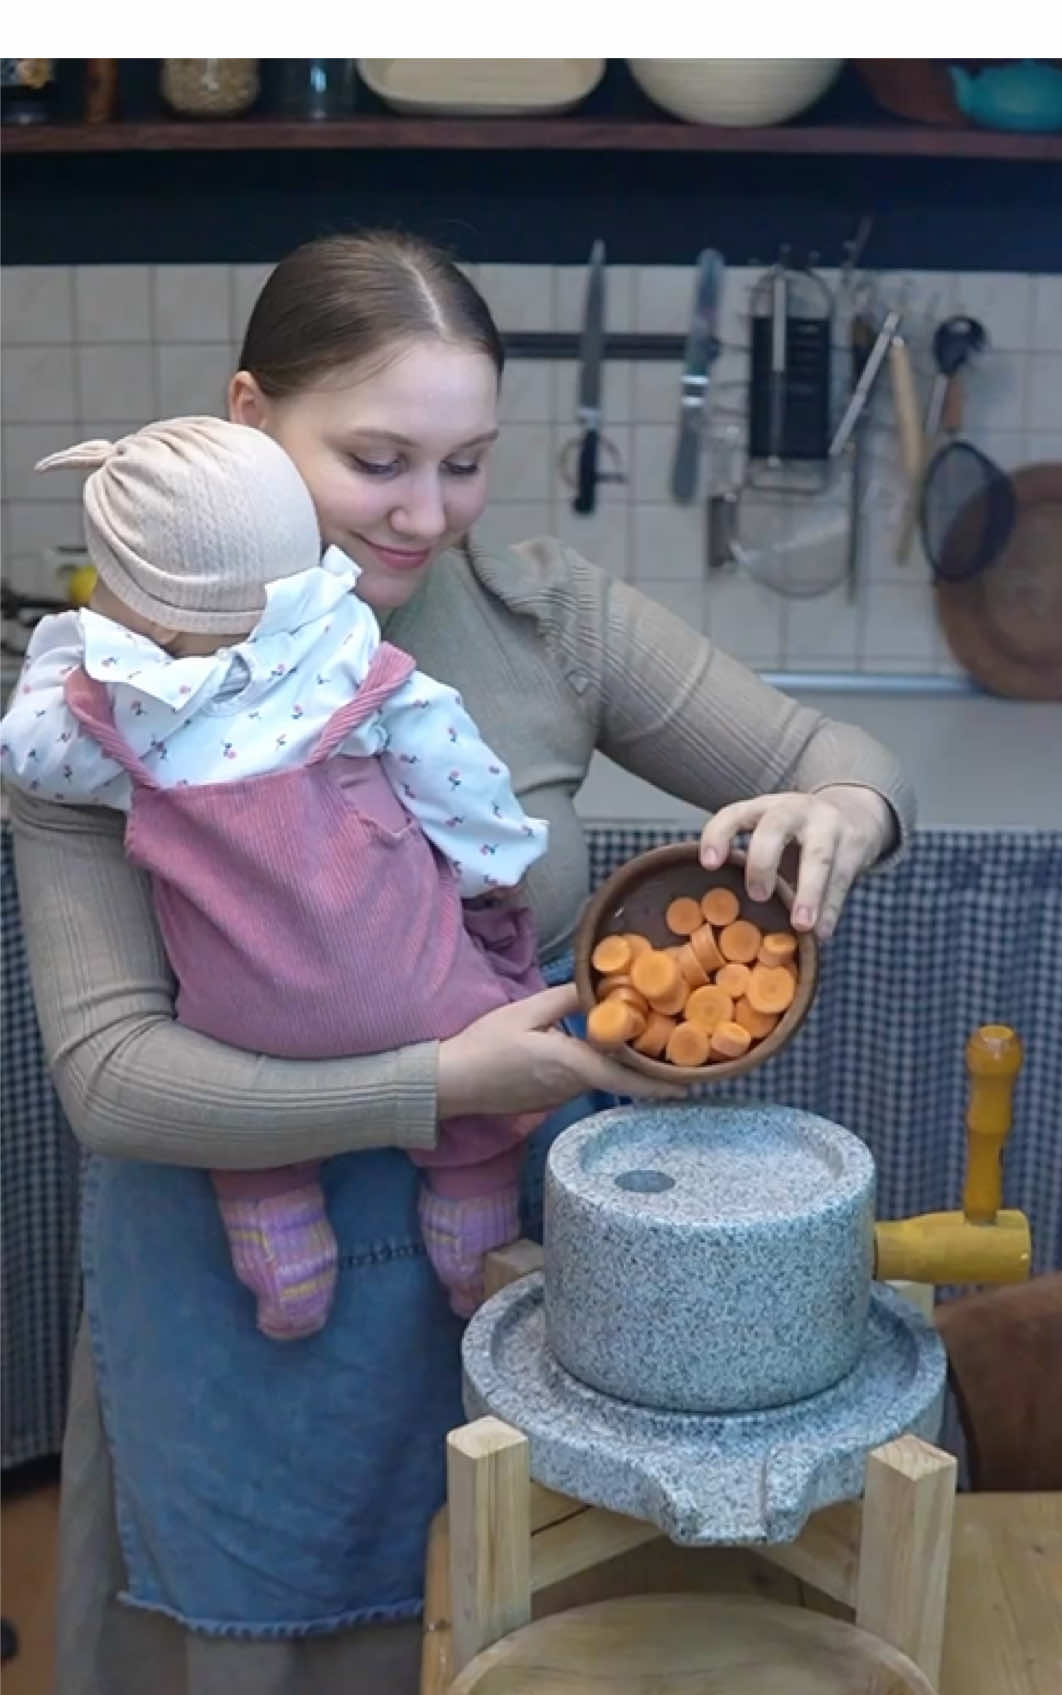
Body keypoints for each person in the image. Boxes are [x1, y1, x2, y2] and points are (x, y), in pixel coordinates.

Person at [7, 229, 916, 1695]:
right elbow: (114, 1078)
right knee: (279, 1644)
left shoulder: (543, 620)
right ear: (249, 419)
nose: (426, 514)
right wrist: (444, 1078)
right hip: (241, 1303)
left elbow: (838, 754)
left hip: (516, 1264)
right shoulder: (119, 689)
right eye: (377, 460)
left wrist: (841, 812)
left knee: (543, 1624)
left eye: (467, 460)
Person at [0, 415, 558, 1334]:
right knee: (476, 1073)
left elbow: (29, 753)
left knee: (246, 1134)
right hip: (418, 995)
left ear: (149, 607)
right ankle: (472, 1209)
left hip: (247, 1032)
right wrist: (490, 876)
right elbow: (459, 778)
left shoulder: (130, 725)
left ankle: (279, 1238)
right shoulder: (351, 664)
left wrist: (74, 648)